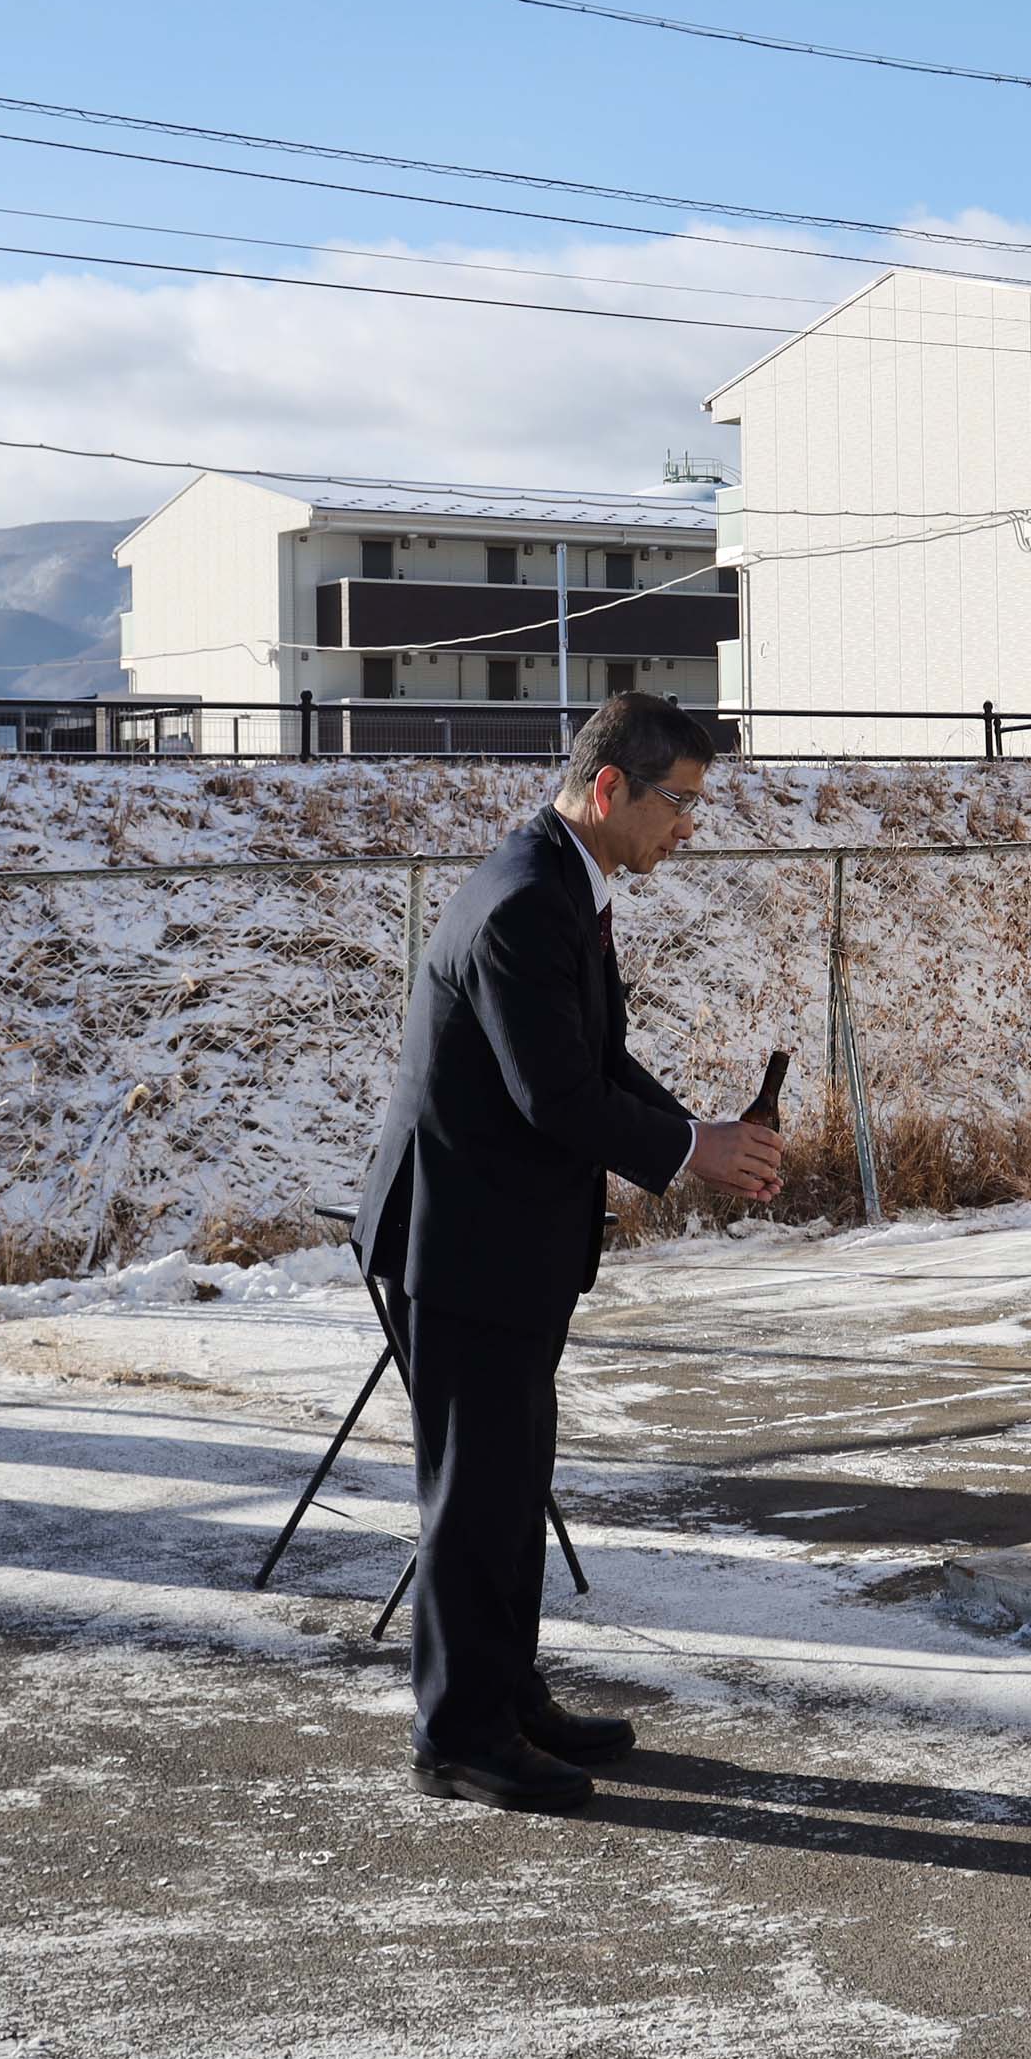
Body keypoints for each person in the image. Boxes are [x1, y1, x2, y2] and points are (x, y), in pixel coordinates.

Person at [353, 692, 784, 1813]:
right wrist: (695, 1151)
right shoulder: (523, 903)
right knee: (474, 1498)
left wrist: (704, 1137)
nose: (689, 827)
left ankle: (508, 1696)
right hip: (459, 1245)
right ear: (609, 790)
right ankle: (459, 1736)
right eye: (679, 804)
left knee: (511, 1482)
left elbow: (597, 1059)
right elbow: (555, 1097)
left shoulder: (562, 883)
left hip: (502, 1242)